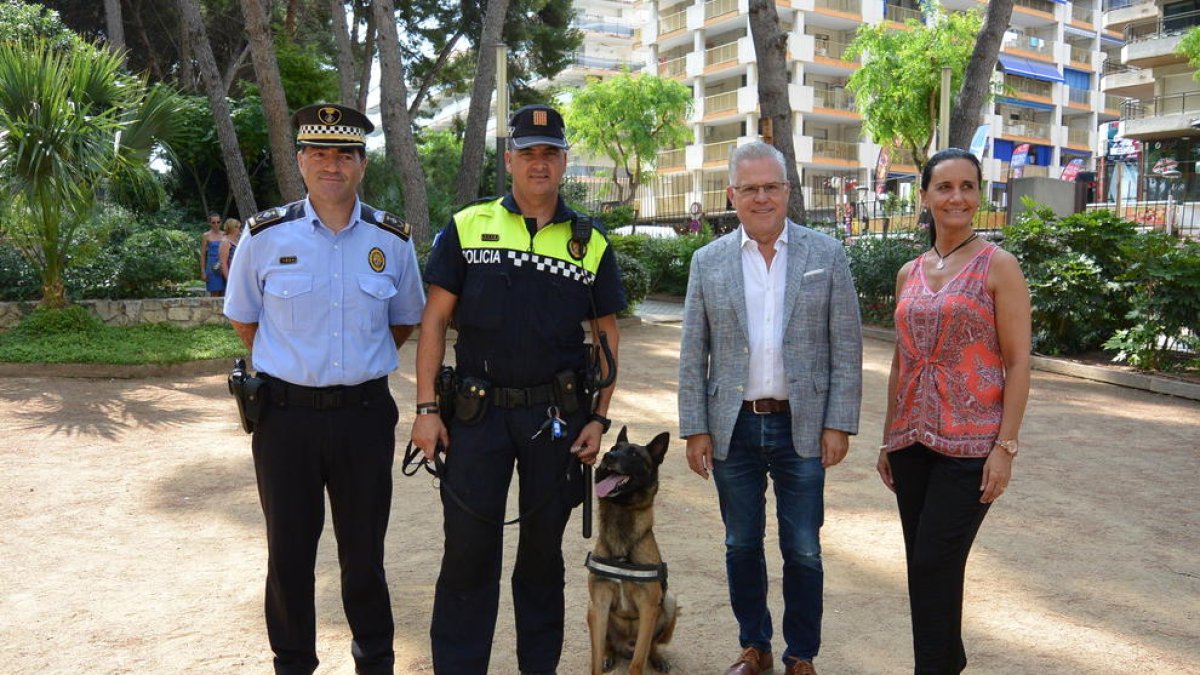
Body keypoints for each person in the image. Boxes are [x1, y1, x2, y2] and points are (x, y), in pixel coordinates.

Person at [410, 103, 626, 675]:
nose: (539, 164)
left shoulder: (591, 240)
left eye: (549, 153)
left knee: (540, 559)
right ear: (509, 160)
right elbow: (433, 322)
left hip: (554, 420)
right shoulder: (466, 226)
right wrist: (427, 408)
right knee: (467, 556)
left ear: (563, 162)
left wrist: (598, 419)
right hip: (475, 419)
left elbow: (606, 339)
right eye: (527, 152)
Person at [223, 103, 426, 675]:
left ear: (361, 164)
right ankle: (292, 663)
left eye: (345, 154)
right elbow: (245, 318)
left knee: (364, 555)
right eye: (319, 153)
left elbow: (404, 320)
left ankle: (374, 661)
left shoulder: (392, 238)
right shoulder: (265, 235)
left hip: (363, 415)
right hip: (284, 419)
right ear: (301, 161)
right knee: (288, 554)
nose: (331, 165)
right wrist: (294, 362)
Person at [678, 141, 863, 675]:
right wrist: (695, 428)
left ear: (788, 190)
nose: (762, 198)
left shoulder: (825, 254)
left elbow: (845, 347)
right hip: (731, 426)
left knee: (804, 548)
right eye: (751, 188)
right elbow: (694, 353)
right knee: (740, 544)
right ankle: (754, 646)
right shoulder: (707, 261)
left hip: (801, 426)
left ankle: (800, 654)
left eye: (772, 187)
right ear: (732, 195)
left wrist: (838, 422)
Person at [876, 147, 1031, 675]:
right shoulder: (909, 272)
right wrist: (886, 438)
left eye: (968, 186)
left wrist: (1005, 449)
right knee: (925, 570)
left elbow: (1018, 362)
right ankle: (946, 661)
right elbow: (901, 359)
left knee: (933, 562)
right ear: (925, 197)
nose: (956, 197)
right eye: (944, 187)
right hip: (910, 444)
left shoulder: (998, 266)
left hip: (971, 447)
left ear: (979, 194)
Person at [201, 212, 225, 296]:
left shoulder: (224, 234)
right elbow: (203, 254)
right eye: (213, 222)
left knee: (225, 292)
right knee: (214, 293)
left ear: (221, 222)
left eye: (218, 222)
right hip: (212, 265)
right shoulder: (206, 235)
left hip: (223, 265)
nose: (216, 224)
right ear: (210, 223)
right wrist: (203, 271)